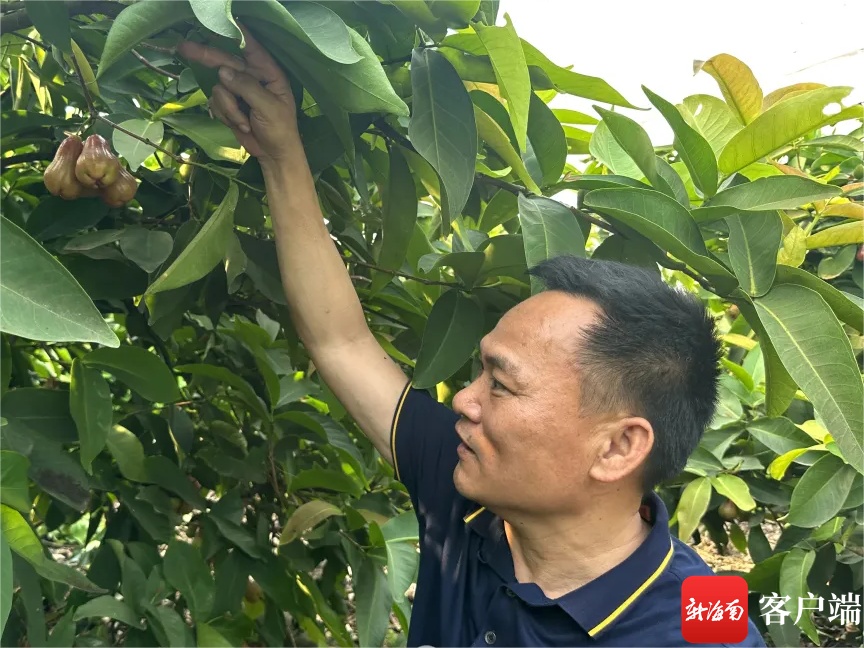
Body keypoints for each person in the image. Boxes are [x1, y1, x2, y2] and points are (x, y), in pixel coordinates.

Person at [179, 27, 767, 648]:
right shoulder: (472, 493)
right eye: (482, 371)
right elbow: (341, 342)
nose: (463, 400)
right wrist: (280, 152)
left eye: (503, 384)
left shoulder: (702, 633)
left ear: (619, 447)